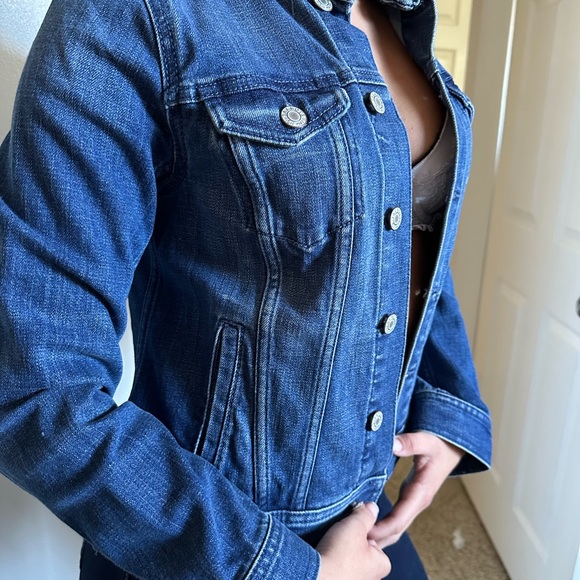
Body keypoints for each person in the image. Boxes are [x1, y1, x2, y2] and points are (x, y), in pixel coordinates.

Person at [0, 0, 492, 577]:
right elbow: (33, 380)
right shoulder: (136, 14)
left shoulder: (398, 13)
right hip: (223, 540)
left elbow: (392, 229)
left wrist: (447, 406)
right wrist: (290, 571)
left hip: (362, 510)